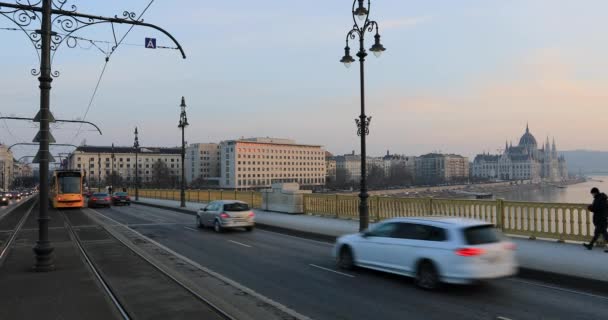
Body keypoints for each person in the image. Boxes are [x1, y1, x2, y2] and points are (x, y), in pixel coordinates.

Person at [583, 187, 608, 252]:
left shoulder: (598, 199)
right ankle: (590, 245)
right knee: (597, 233)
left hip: (600, 220)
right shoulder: (603, 199)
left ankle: (590, 245)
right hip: (603, 219)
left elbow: (595, 208)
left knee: (604, 234)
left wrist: (589, 207)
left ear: (595, 193)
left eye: (592, 194)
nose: (592, 195)